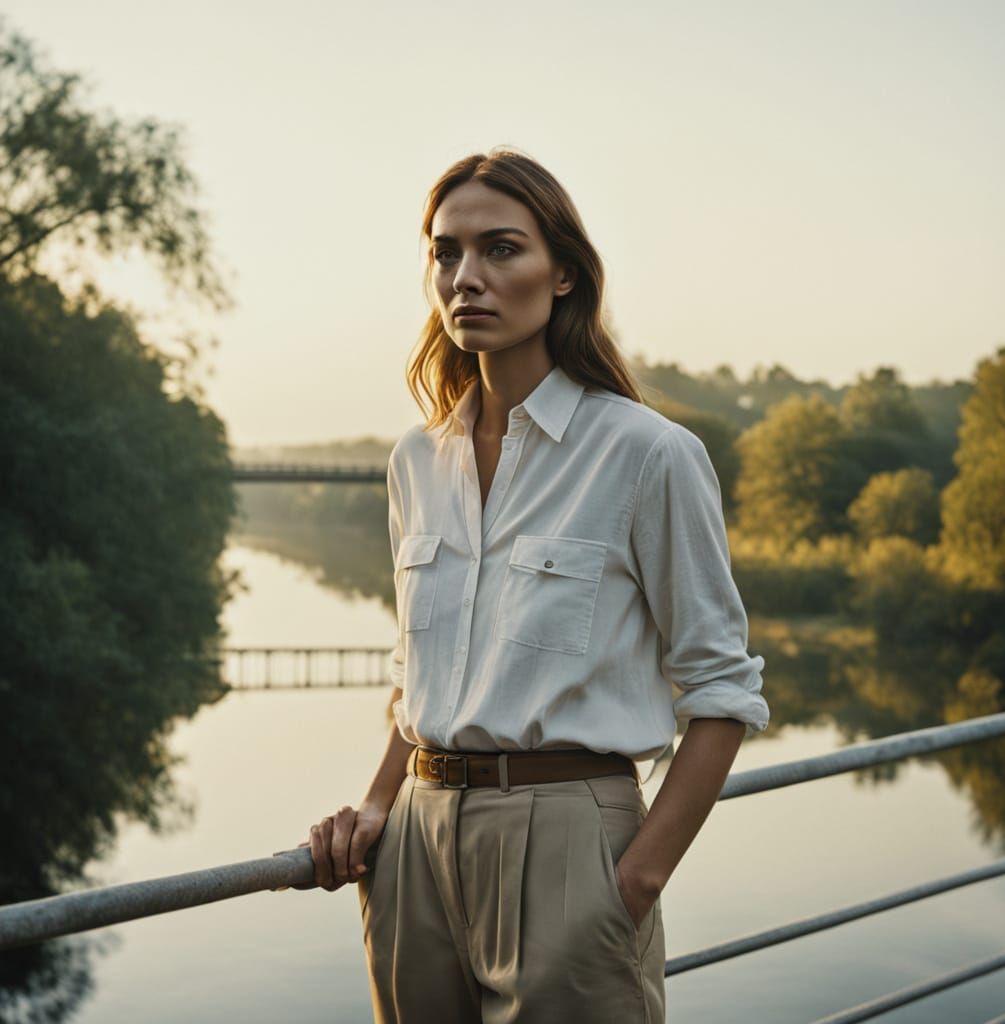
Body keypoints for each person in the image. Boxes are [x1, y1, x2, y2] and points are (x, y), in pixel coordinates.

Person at [292, 147, 769, 1023]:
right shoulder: (414, 459)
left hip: (569, 841)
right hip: (414, 846)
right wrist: (374, 804)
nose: (466, 276)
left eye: (501, 249)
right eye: (446, 252)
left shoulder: (646, 454)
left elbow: (723, 693)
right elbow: (420, 678)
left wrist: (634, 881)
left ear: (563, 277)